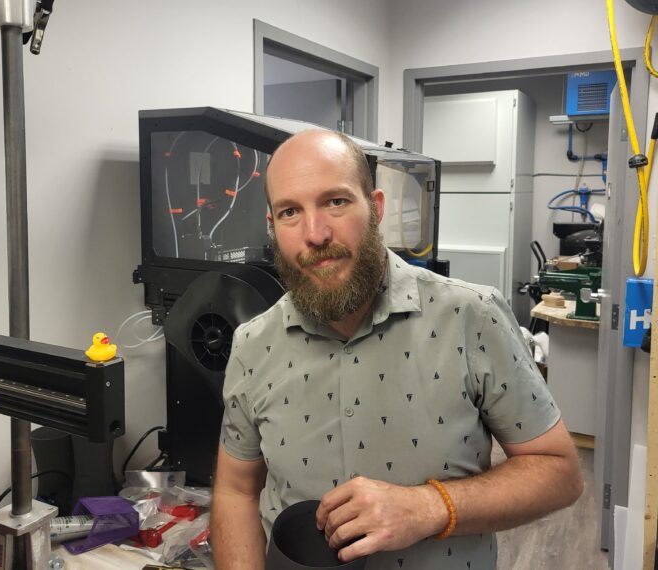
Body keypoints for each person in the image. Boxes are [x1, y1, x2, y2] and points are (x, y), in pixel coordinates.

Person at [210, 129, 583, 570]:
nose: (315, 233)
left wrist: (429, 507)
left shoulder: (471, 317)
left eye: (336, 201)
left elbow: (560, 472)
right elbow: (236, 490)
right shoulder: (253, 345)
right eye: (291, 211)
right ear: (274, 227)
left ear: (377, 208)